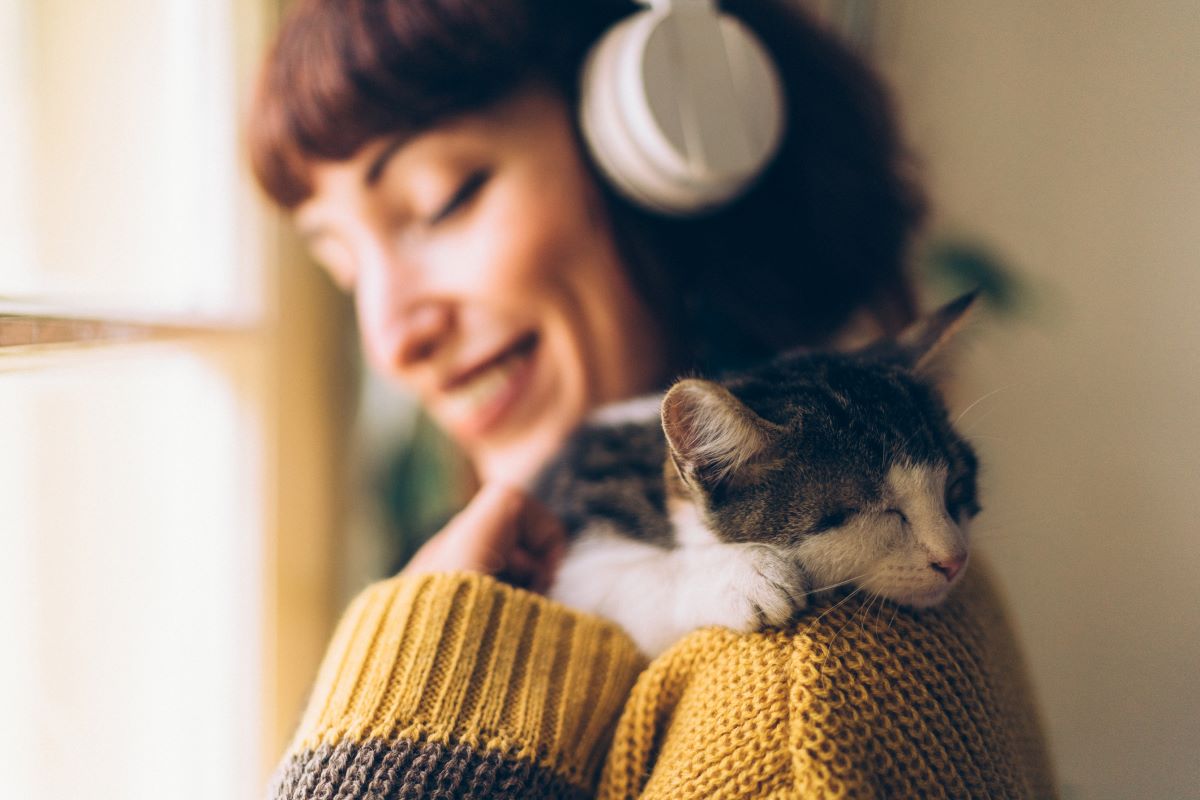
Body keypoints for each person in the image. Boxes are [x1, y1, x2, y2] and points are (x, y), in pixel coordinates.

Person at [249, 1, 1056, 797]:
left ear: (662, 150)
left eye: (444, 200)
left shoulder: (788, 719)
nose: (390, 338)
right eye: (343, 267)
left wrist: (422, 677)